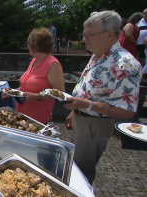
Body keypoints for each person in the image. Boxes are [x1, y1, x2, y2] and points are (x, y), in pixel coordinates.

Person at [64, 11, 142, 185]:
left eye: (90, 35)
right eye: (84, 34)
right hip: (83, 119)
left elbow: (126, 110)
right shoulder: (98, 55)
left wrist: (86, 105)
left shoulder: (125, 64)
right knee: (73, 167)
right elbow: (90, 90)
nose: (85, 39)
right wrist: (76, 111)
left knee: (81, 174)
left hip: (95, 124)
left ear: (110, 34)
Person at [2, 28, 65, 124]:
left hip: (38, 119)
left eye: (29, 44)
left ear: (36, 46)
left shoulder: (53, 64)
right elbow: (27, 86)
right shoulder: (35, 60)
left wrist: (37, 96)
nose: (28, 46)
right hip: (23, 116)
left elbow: (60, 93)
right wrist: (13, 92)